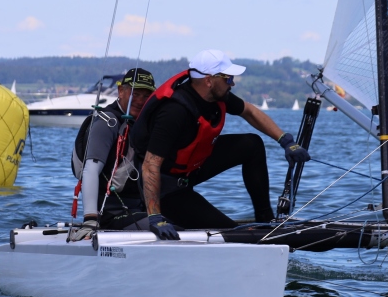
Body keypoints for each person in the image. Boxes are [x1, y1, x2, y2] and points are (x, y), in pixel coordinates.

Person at [131, 49, 309, 230]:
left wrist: (286, 141)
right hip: (167, 189)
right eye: (228, 79)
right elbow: (150, 166)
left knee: (251, 145)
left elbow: (249, 111)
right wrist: (155, 217)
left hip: (190, 169)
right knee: (231, 231)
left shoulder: (216, 96)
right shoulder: (174, 112)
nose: (232, 83)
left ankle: (266, 219)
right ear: (209, 80)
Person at [67, 67, 176, 241]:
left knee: (185, 220)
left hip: (138, 209)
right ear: (121, 91)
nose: (140, 100)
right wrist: (90, 220)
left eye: (146, 95)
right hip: (110, 215)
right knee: (174, 228)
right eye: (135, 94)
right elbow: (90, 170)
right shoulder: (107, 122)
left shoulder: (143, 125)